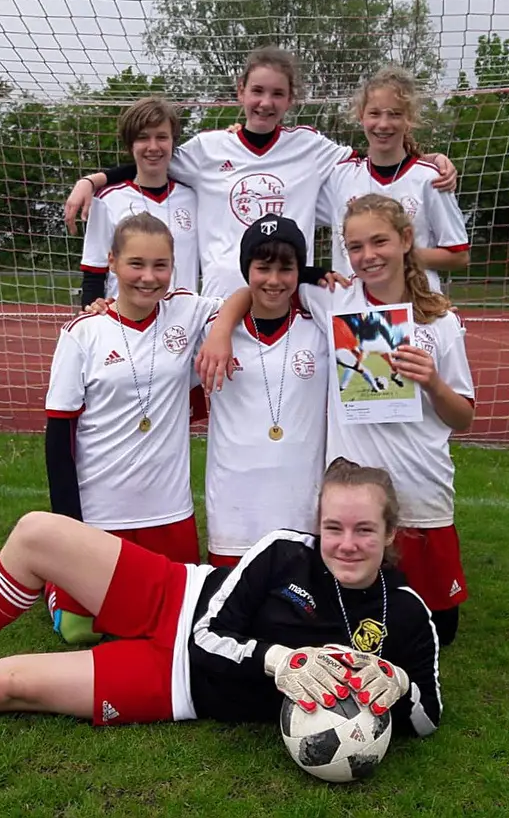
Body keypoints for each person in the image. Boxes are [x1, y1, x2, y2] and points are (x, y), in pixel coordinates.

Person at [0, 458, 442, 744]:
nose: (346, 544)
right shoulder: (285, 551)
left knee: (3, 686)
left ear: (390, 534)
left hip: (179, 685)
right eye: (333, 527)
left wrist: (400, 686)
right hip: (178, 599)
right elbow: (211, 632)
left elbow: (428, 718)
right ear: (317, 524)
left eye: (364, 530)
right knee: (36, 533)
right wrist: (279, 661)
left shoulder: (407, 615)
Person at [200, 194, 476, 646]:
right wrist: (221, 327)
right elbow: (262, 282)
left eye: (379, 242)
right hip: (355, 490)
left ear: (406, 239)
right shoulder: (334, 300)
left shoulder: (438, 321)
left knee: (438, 631)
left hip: (422, 486)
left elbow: (462, 417)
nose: (368, 256)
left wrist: (432, 383)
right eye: (355, 246)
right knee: (360, 617)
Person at [62, 46, 459, 299]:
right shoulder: (207, 149)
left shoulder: (311, 147)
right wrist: (93, 180)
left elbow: (379, 154)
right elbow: (151, 158)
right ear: (241, 91)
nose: (265, 103)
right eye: (257, 91)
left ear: (291, 99)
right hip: (220, 298)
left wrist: (428, 159)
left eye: (277, 94)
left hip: (287, 294)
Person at [36, 213, 225, 647]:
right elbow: (59, 437)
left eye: (161, 265)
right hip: (102, 512)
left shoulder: (186, 310)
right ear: (113, 263)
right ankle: (54, 582)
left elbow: (250, 297)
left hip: (169, 512)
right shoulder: (84, 333)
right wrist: (69, 526)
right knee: (80, 631)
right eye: (136, 264)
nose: (148, 277)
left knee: (176, 625)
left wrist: (219, 334)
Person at [202, 215, 331, 568]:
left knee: (297, 597)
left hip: (300, 505)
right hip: (233, 508)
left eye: (286, 269)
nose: (274, 280)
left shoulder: (320, 326)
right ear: (247, 270)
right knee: (231, 599)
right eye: (262, 268)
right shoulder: (212, 330)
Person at [317, 65, 470, 296]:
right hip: (353, 308)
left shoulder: (431, 179)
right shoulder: (339, 177)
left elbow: (458, 256)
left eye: (395, 114)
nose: (383, 124)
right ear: (361, 116)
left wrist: (397, 255)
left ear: (409, 119)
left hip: (416, 305)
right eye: (374, 113)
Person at [78, 96, 200, 309]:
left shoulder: (194, 198)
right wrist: (90, 312)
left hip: (184, 322)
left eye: (162, 137)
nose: (153, 147)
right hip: (126, 321)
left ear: (173, 142)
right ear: (130, 144)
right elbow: (93, 273)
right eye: (143, 138)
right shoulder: (107, 199)